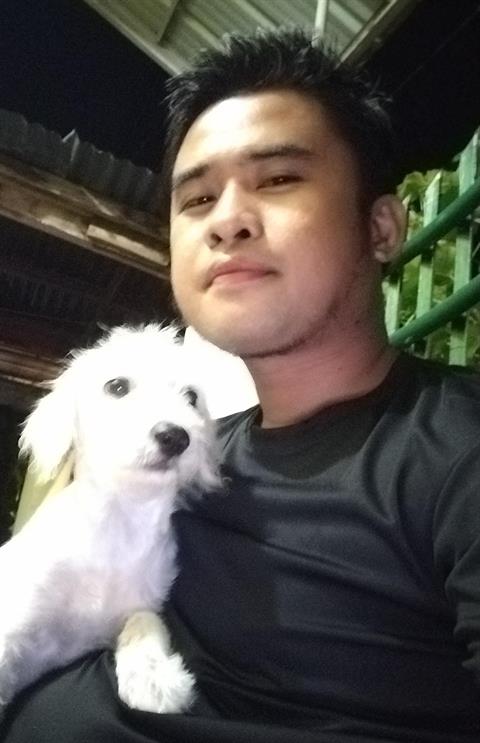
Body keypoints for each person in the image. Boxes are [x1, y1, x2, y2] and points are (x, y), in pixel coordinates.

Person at [3, 26, 480, 743]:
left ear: (382, 228)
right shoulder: (189, 455)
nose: (225, 220)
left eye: (279, 178)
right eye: (196, 199)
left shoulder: (458, 454)